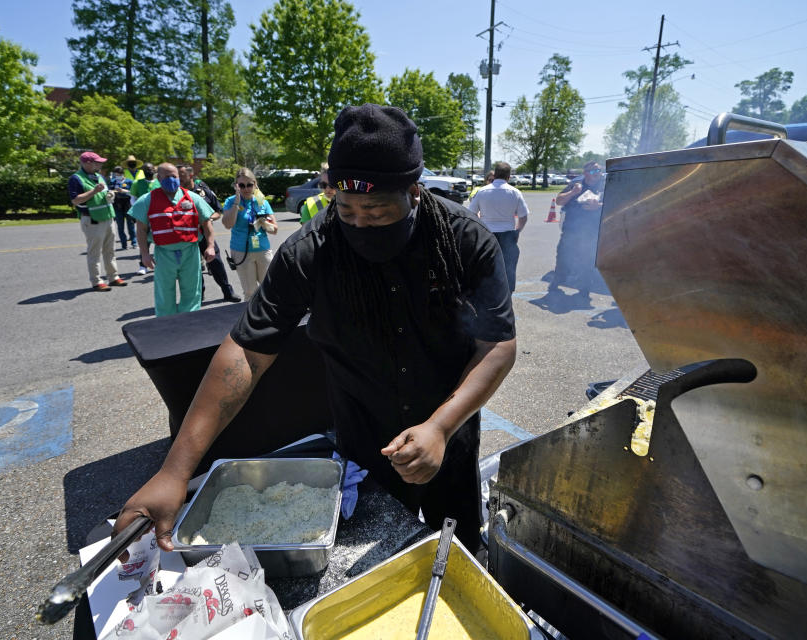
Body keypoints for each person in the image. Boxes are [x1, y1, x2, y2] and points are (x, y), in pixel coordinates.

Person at [113, 104, 517, 555]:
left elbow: (497, 343)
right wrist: (174, 472)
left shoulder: (464, 239)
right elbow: (245, 353)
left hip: (451, 425)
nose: (361, 223)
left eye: (378, 211)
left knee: (459, 546)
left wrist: (440, 428)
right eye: (346, 211)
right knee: (375, 557)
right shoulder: (310, 250)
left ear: (414, 192)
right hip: (364, 438)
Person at [129, 163, 216, 316]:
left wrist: (210, 246)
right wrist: (144, 254)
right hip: (164, 253)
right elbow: (141, 229)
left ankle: (189, 324)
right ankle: (166, 328)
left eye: (174, 176)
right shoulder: (147, 200)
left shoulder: (193, 197)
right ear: (159, 178)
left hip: (190, 252)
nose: (171, 179)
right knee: (164, 293)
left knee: (192, 292)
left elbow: (206, 223)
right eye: (167, 176)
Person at [177, 164, 240, 303]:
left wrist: (207, 219)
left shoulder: (203, 191)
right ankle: (200, 294)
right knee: (194, 267)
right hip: (186, 237)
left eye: (181, 175)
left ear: (191, 175)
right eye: (176, 176)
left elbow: (217, 211)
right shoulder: (174, 194)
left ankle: (227, 291)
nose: (178, 179)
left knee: (216, 263)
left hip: (205, 233)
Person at [68, 151, 127, 291]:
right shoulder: (76, 179)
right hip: (92, 219)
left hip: (107, 216)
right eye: (97, 162)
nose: (100, 164)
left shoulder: (98, 176)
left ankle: (113, 277)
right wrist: (93, 192)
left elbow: (104, 192)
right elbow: (75, 200)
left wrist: (110, 193)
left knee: (110, 250)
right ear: (87, 163)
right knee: (94, 251)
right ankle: (96, 280)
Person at [468, 162, 529, 293]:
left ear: (494, 175)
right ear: (509, 176)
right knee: (508, 268)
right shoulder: (515, 192)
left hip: (487, 234)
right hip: (508, 234)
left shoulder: (482, 191)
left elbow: (471, 213)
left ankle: (487, 296)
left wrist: (480, 227)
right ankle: (507, 296)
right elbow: (523, 216)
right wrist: (517, 231)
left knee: (486, 266)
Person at [549, 160, 605, 300]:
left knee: (587, 260)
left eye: (598, 170)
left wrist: (599, 206)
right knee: (563, 256)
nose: (597, 173)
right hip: (571, 229)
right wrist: (573, 192)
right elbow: (559, 201)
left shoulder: (605, 184)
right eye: (593, 171)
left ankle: (584, 290)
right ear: (586, 173)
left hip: (591, 230)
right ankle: (556, 283)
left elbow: (615, 202)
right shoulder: (576, 183)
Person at [221, 168, 278, 300]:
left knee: (269, 289)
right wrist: (236, 201)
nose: (246, 188)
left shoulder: (262, 201)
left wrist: (262, 222)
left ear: (255, 184)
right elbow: (228, 224)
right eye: (241, 185)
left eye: (249, 185)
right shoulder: (231, 201)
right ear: (236, 186)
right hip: (242, 251)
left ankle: (269, 319)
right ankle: (251, 319)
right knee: (250, 292)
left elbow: (274, 230)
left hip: (263, 250)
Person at [130, 162, 159, 276]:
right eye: (146, 169)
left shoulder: (159, 183)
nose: (149, 171)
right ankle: (143, 265)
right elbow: (132, 198)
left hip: (157, 216)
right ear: (142, 170)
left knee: (160, 241)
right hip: (144, 216)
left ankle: (159, 264)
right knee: (144, 241)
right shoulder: (137, 183)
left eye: (151, 168)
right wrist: (139, 210)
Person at [108, 165, 135, 250]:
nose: (117, 176)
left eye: (119, 174)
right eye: (116, 174)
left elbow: (133, 193)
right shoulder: (112, 182)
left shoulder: (129, 181)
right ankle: (124, 244)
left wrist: (125, 191)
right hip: (117, 204)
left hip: (128, 203)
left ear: (123, 174)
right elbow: (109, 191)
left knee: (130, 224)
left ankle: (134, 242)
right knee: (120, 225)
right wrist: (111, 192)